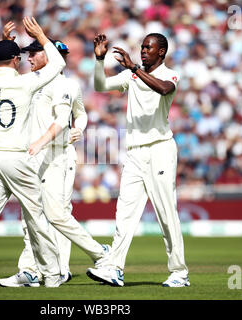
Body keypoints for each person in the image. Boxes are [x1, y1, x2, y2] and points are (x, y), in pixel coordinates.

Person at [0, 18, 67, 288]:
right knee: (36, 216)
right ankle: (52, 274)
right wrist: (41, 36)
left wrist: (1, 41)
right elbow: (59, 64)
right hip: (15, 157)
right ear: (17, 60)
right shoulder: (25, 83)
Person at [0, 39, 108, 288]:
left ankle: (90, 258)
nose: (29, 57)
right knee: (30, 217)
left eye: (34, 53)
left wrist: (78, 128)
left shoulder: (67, 85)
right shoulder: (32, 82)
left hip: (58, 155)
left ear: (51, 55)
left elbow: (80, 113)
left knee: (58, 213)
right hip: (33, 157)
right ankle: (30, 270)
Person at [86, 33, 189, 287]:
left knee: (166, 212)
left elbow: (164, 89)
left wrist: (133, 68)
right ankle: (114, 268)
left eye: (148, 48)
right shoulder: (131, 76)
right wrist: (99, 61)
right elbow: (100, 86)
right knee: (125, 212)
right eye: (142, 47)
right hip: (134, 152)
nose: (143, 51)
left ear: (161, 52)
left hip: (160, 149)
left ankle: (179, 272)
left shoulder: (170, 74)